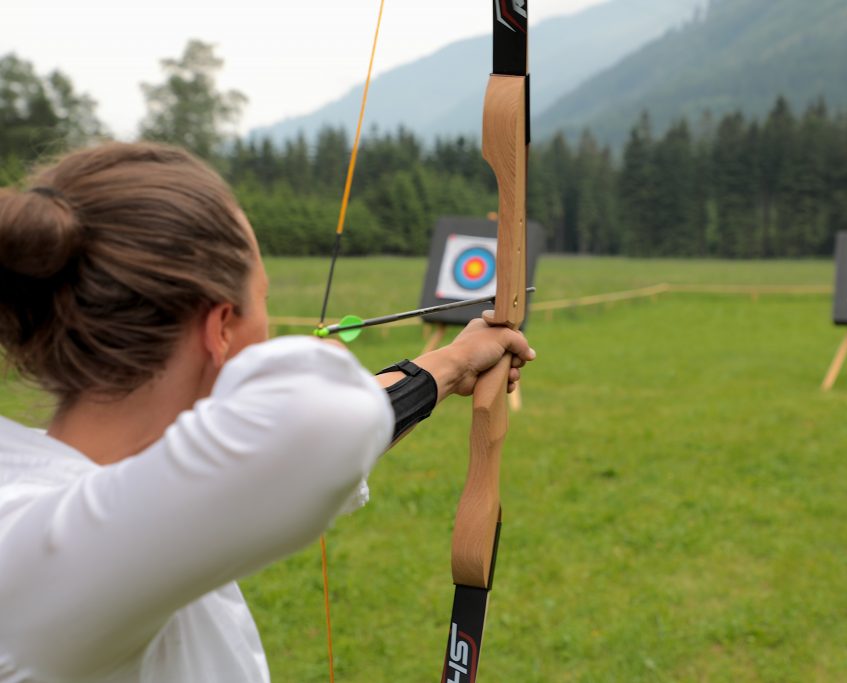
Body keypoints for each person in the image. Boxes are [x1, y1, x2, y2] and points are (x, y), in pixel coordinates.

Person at [0, 142, 535, 682]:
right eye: (265, 298)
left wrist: (450, 365)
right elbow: (320, 424)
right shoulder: (45, 559)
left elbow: (271, 457)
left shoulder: (76, 511)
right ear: (221, 328)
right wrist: (334, 366)